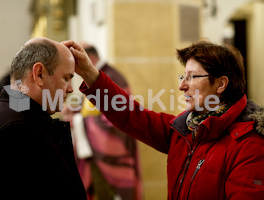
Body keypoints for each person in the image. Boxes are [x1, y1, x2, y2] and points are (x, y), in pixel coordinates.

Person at [62, 40, 264, 200]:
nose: (182, 86)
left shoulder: (249, 145)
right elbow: (132, 116)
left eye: (192, 77)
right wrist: (89, 73)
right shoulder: (186, 130)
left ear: (221, 84)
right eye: (182, 77)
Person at [0, 37, 87, 199]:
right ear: (39, 74)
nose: (70, 89)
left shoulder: (16, 112)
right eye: (66, 78)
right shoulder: (17, 128)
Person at [62, 44, 142, 200]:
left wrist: (78, 122)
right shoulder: (98, 76)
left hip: (109, 151)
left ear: (88, 57)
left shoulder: (111, 77)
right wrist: (76, 109)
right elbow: (93, 107)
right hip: (95, 150)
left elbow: (118, 118)